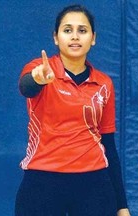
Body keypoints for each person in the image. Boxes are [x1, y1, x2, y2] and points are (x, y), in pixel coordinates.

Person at [16, 4, 130, 216]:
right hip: (43, 179)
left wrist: (121, 205)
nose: (75, 36)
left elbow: (108, 144)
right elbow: (26, 87)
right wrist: (38, 79)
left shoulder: (104, 83)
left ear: (93, 38)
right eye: (67, 30)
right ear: (56, 37)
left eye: (82, 30)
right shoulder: (39, 68)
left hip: (94, 181)